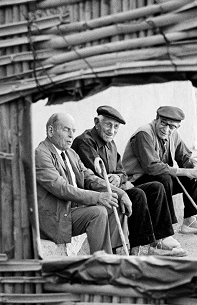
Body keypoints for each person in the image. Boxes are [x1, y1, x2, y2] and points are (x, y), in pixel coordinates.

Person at [72, 106, 186, 256]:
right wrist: (117, 184)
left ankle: (158, 243)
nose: (111, 130)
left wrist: (118, 177)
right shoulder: (85, 142)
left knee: (156, 188)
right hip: (98, 195)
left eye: (116, 127)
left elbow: (122, 171)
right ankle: (135, 251)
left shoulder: (110, 143)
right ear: (96, 122)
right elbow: (92, 180)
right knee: (137, 195)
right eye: (108, 124)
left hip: (116, 189)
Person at [35, 112, 131, 254]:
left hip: (73, 211)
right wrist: (98, 197)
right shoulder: (41, 154)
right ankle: (102, 265)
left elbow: (89, 178)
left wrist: (120, 193)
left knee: (115, 205)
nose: (71, 136)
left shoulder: (71, 153)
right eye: (66, 130)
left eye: (73, 131)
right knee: (98, 212)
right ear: (50, 131)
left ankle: (117, 255)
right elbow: (62, 189)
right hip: (56, 217)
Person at [122, 106, 197, 235]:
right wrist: (184, 171)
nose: (166, 129)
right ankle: (164, 231)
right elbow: (152, 167)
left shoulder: (174, 135)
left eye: (172, 126)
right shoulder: (144, 134)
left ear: (177, 127)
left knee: (195, 174)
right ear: (156, 119)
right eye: (163, 123)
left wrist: (194, 167)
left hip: (160, 178)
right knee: (164, 178)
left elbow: (186, 156)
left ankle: (190, 222)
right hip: (136, 181)